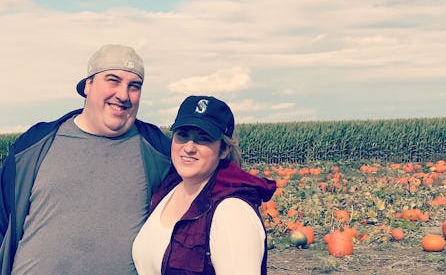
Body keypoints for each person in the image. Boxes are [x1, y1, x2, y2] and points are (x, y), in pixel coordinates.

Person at [0, 44, 171, 275]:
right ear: (88, 85)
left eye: (134, 86)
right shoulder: (34, 145)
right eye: (113, 80)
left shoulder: (159, 151)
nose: (123, 94)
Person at [132, 95, 276, 275]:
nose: (189, 147)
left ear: (224, 149)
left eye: (203, 138)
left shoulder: (231, 212)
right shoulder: (168, 189)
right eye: (182, 135)